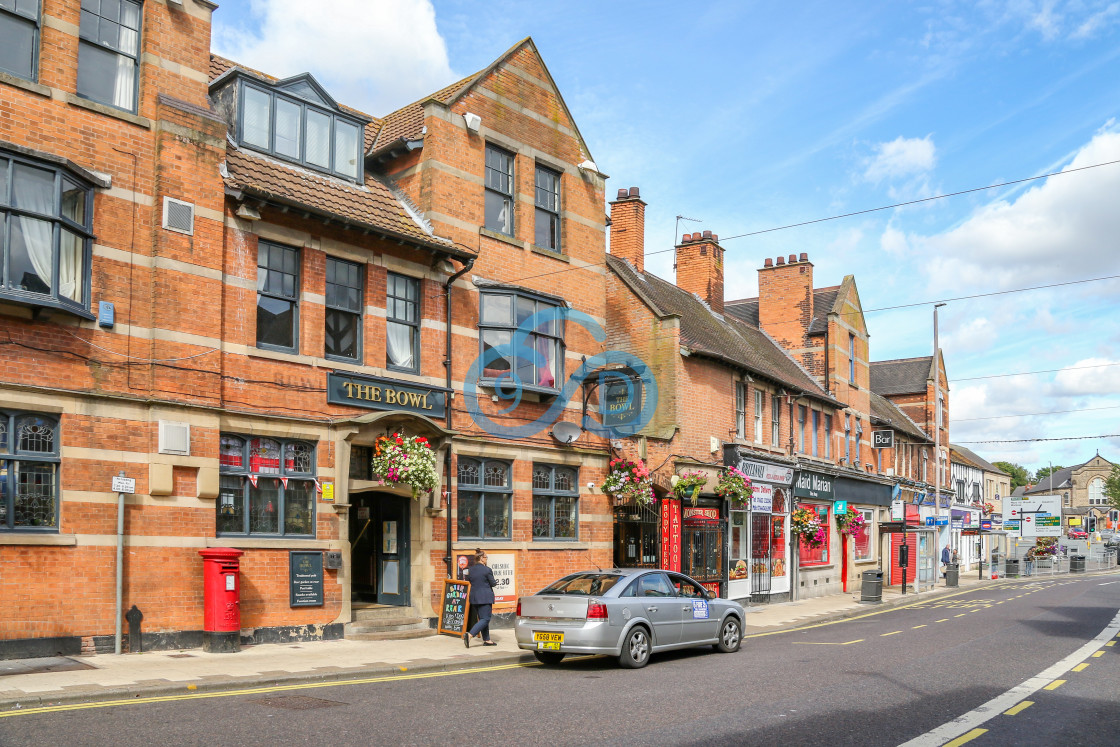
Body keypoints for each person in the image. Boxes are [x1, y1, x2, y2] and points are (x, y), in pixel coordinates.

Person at [464, 549, 498, 648]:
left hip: (474, 597)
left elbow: (470, 581)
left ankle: (487, 640)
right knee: (486, 619)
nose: (487, 559)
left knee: (483, 618)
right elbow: (493, 583)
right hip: (485, 597)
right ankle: (470, 634)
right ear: (481, 558)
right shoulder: (487, 570)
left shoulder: (471, 570)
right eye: (486, 557)